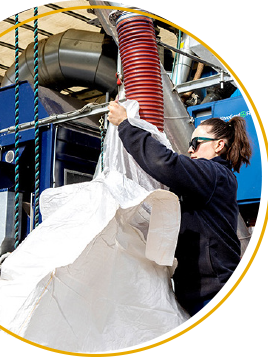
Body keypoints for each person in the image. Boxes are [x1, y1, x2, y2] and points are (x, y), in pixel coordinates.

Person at [107, 100, 252, 317]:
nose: (189, 149)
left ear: (218, 145)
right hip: (202, 292)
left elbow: (166, 164)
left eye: (196, 143)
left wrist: (126, 125)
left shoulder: (213, 173)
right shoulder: (211, 179)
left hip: (212, 292)